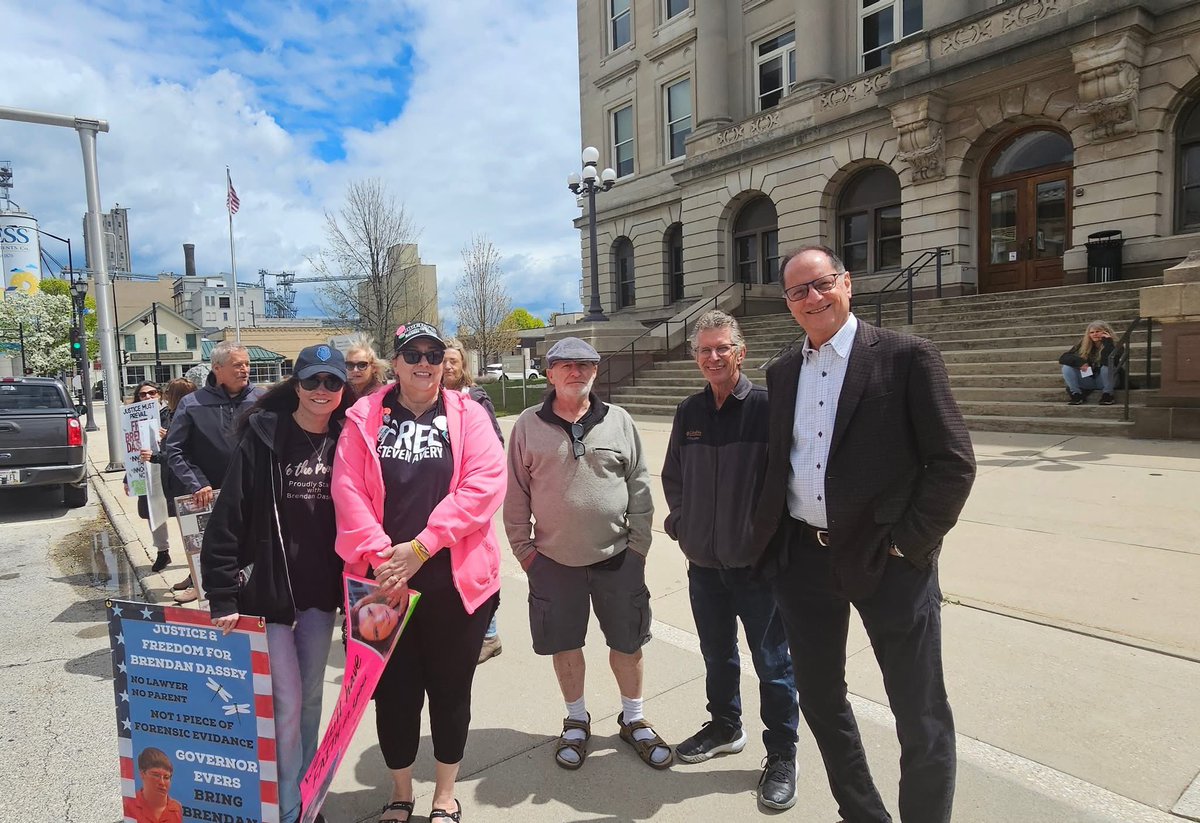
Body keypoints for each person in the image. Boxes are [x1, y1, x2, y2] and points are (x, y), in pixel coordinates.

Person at [750, 246, 976, 823]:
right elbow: (781, 463)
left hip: (888, 561)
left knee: (918, 710)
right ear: (788, 304)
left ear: (846, 284)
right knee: (822, 701)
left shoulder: (907, 357)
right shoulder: (781, 371)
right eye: (799, 292)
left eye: (821, 284)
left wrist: (908, 542)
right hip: (804, 561)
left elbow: (953, 463)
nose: (813, 298)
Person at [332, 322, 505, 823]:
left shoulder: (468, 415)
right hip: (380, 582)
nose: (425, 363)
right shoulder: (363, 416)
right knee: (392, 694)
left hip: (454, 581)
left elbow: (484, 485)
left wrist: (422, 547)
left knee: (451, 691)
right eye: (414, 353)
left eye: (434, 353)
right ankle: (401, 792)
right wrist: (385, 555)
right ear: (397, 359)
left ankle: (445, 794)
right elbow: (347, 491)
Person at [202, 344, 353, 823]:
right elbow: (228, 518)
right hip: (270, 596)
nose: (321, 391)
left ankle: (309, 799)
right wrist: (222, 594)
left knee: (310, 702)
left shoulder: (349, 439)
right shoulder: (264, 437)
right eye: (312, 381)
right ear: (296, 384)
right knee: (285, 705)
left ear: (342, 387)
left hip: (320, 596)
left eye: (332, 382)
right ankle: (288, 809)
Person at [503, 337, 669, 772]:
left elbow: (639, 485)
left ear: (596, 371)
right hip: (553, 563)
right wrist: (525, 553)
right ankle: (576, 720)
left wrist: (639, 548)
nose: (577, 371)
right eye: (566, 365)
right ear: (550, 372)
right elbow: (516, 494)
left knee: (628, 643)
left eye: (586, 364)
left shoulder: (619, 420)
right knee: (565, 645)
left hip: (618, 558)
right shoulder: (527, 425)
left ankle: (634, 719)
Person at [661, 310, 800, 809]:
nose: (713, 357)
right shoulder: (689, 413)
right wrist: (684, 525)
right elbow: (673, 476)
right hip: (705, 564)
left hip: (758, 567)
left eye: (722, 348)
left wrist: (765, 541)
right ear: (694, 356)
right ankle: (725, 726)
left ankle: (782, 753)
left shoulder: (768, 407)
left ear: (741, 352)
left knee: (773, 664)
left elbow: (789, 481)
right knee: (716, 653)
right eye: (704, 350)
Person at [163, 342, 263, 603]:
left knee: (257, 552)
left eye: (247, 364)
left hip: (255, 495)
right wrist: (197, 483)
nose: (245, 370)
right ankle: (204, 589)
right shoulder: (192, 403)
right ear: (217, 368)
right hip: (210, 497)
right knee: (213, 552)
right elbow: (175, 449)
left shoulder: (262, 400)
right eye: (237, 365)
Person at [442, 335, 505, 664]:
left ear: (463, 365)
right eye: (445, 360)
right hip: (443, 500)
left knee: (477, 568)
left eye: (454, 360)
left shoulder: (475, 397)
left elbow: (495, 441)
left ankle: (489, 634)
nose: (449, 365)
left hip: (471, 497)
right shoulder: (432, 399)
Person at [137, 378, 197, 572]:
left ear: (161, 395)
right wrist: (128, 478)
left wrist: (167, 436)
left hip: (174, 474)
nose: (147, 397)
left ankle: (195, 566)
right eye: (143, 394)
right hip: (150, 473)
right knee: (154, 514)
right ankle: (163, 552)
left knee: (185, 517)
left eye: (152, 393)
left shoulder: (173, 414)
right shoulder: (134, 418)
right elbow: (131, 453)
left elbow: (181, 446)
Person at [1060, 320, 1119, 405]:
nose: (1094, 334)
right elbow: (1063, 357)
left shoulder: (1115, 345)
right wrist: (1080, 363)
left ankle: (1108, 395)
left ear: (1106, 332)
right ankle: (1076, 395)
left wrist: (1107, 342)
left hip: (1107, 379)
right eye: (1092, 332)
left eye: (1097, 331)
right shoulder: (1083, 345)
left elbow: (1109, 361)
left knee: (1106, 367)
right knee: (1066, 367)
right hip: (1089, 378)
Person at [130, 747, 182, 823]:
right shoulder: (130, 804)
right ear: (142, 774)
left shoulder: (176, 808)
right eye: (156, 775)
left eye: (166, 777)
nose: (162, 782)